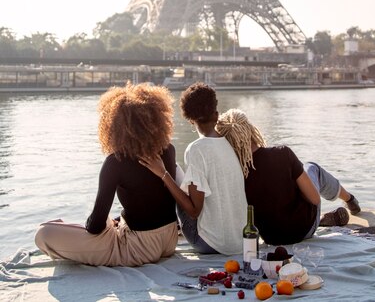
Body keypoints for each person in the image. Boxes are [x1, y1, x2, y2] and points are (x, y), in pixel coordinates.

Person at [35, 83, 178, 266]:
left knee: (44, 233)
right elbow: (159, 202)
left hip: (139, 250)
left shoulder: (115, 162)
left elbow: (95, 227)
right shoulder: (168, 150)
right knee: (110, 222)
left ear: (113, 126)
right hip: (169, 240)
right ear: (157, 119)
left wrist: (96, 224)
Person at [216, 108, 361, 246]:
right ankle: (350, 199)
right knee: (311, 168)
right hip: (303, 230)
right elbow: (315, 199)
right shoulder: (282, 153)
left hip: (271, 237)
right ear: (250, 128)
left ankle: (325, 219)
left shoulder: (234, 173)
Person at [140, 82, 247, 255]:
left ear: (190, 120)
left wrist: (163, 174)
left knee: (173, 177)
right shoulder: (229, 143)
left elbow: (194, 211)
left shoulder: (196, 149)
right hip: (239, 242)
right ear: (216, 115)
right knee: (181, 177)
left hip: (212, 244)